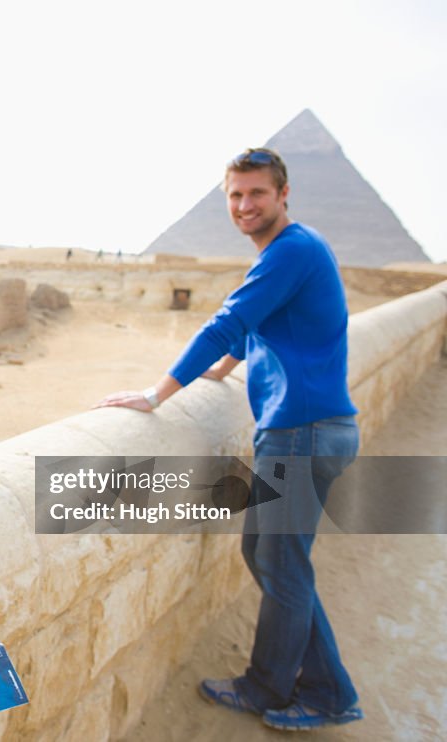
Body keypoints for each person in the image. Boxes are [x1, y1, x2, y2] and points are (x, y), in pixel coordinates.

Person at [94, 148, 364, 731]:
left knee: (284, 566)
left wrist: (156, 394)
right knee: (268, 556)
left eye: (256, 194)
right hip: (308, 429)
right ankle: (325, 686)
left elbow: (228, 321)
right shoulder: (296, 252)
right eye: (235, 195)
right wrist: (227, 364)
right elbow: (270, 324)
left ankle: (282, 688)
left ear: (283, 194)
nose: (244, 206)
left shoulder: (292, 249)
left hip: (302, 432)